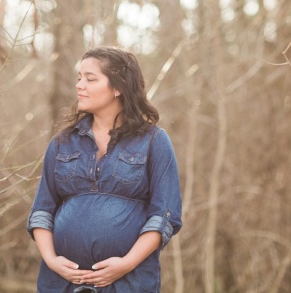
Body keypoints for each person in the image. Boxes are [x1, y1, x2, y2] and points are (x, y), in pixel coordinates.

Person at [27, 46, 182, 292]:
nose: (79, 85)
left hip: (129, 283)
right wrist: (52, 261)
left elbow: (164, 217)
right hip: (62, 284)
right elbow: (42, 212)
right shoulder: (62, 142)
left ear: (118, 87)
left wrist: (126, 264)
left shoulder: (153, 141)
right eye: (79, 78)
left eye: (90, 79)